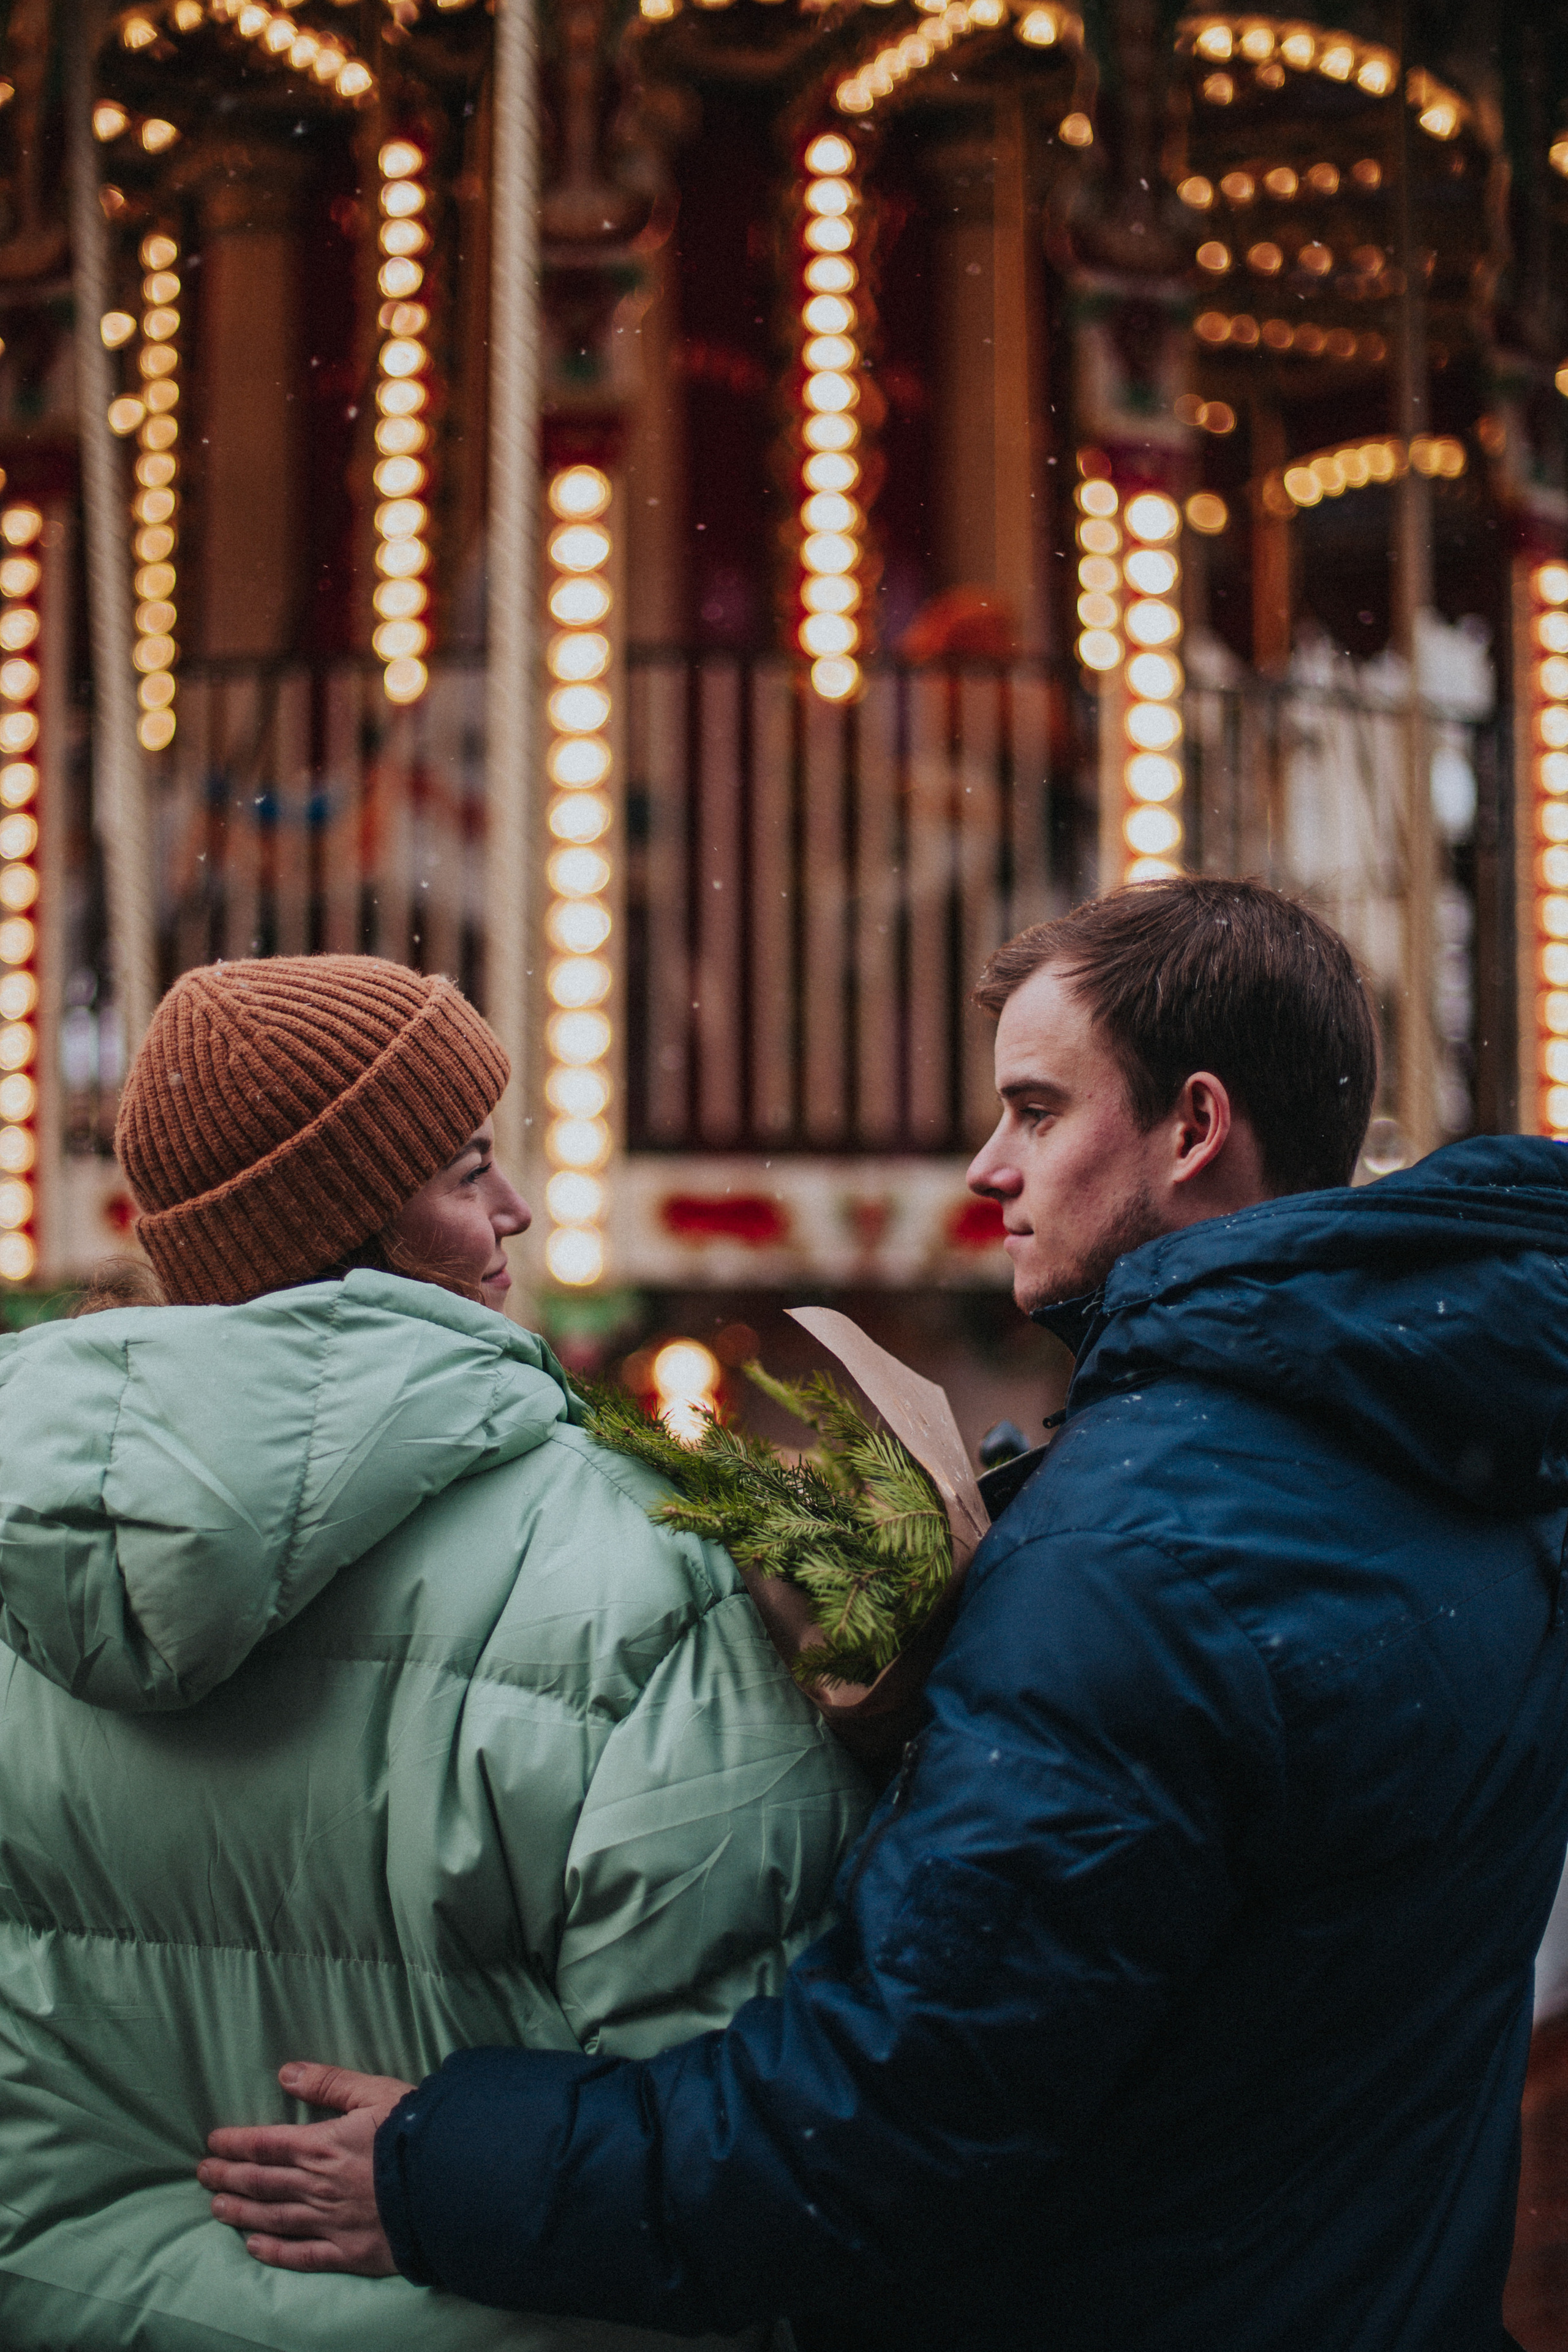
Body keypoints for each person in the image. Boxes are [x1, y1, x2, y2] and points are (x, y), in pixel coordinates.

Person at [202, 880, 1568, 2352]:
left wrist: (441, 2167)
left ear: (1191, 1127)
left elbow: (877, 2124)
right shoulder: (1473, 1468)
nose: (989, 1167)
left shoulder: (1139, 1556)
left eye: (1036, 1111)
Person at [0, 952, 869, 2352]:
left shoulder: (20, 1572)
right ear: (349, 1224)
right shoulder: (632, 1569)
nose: (513, 1207)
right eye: (469, 1172)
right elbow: (731, 2116)